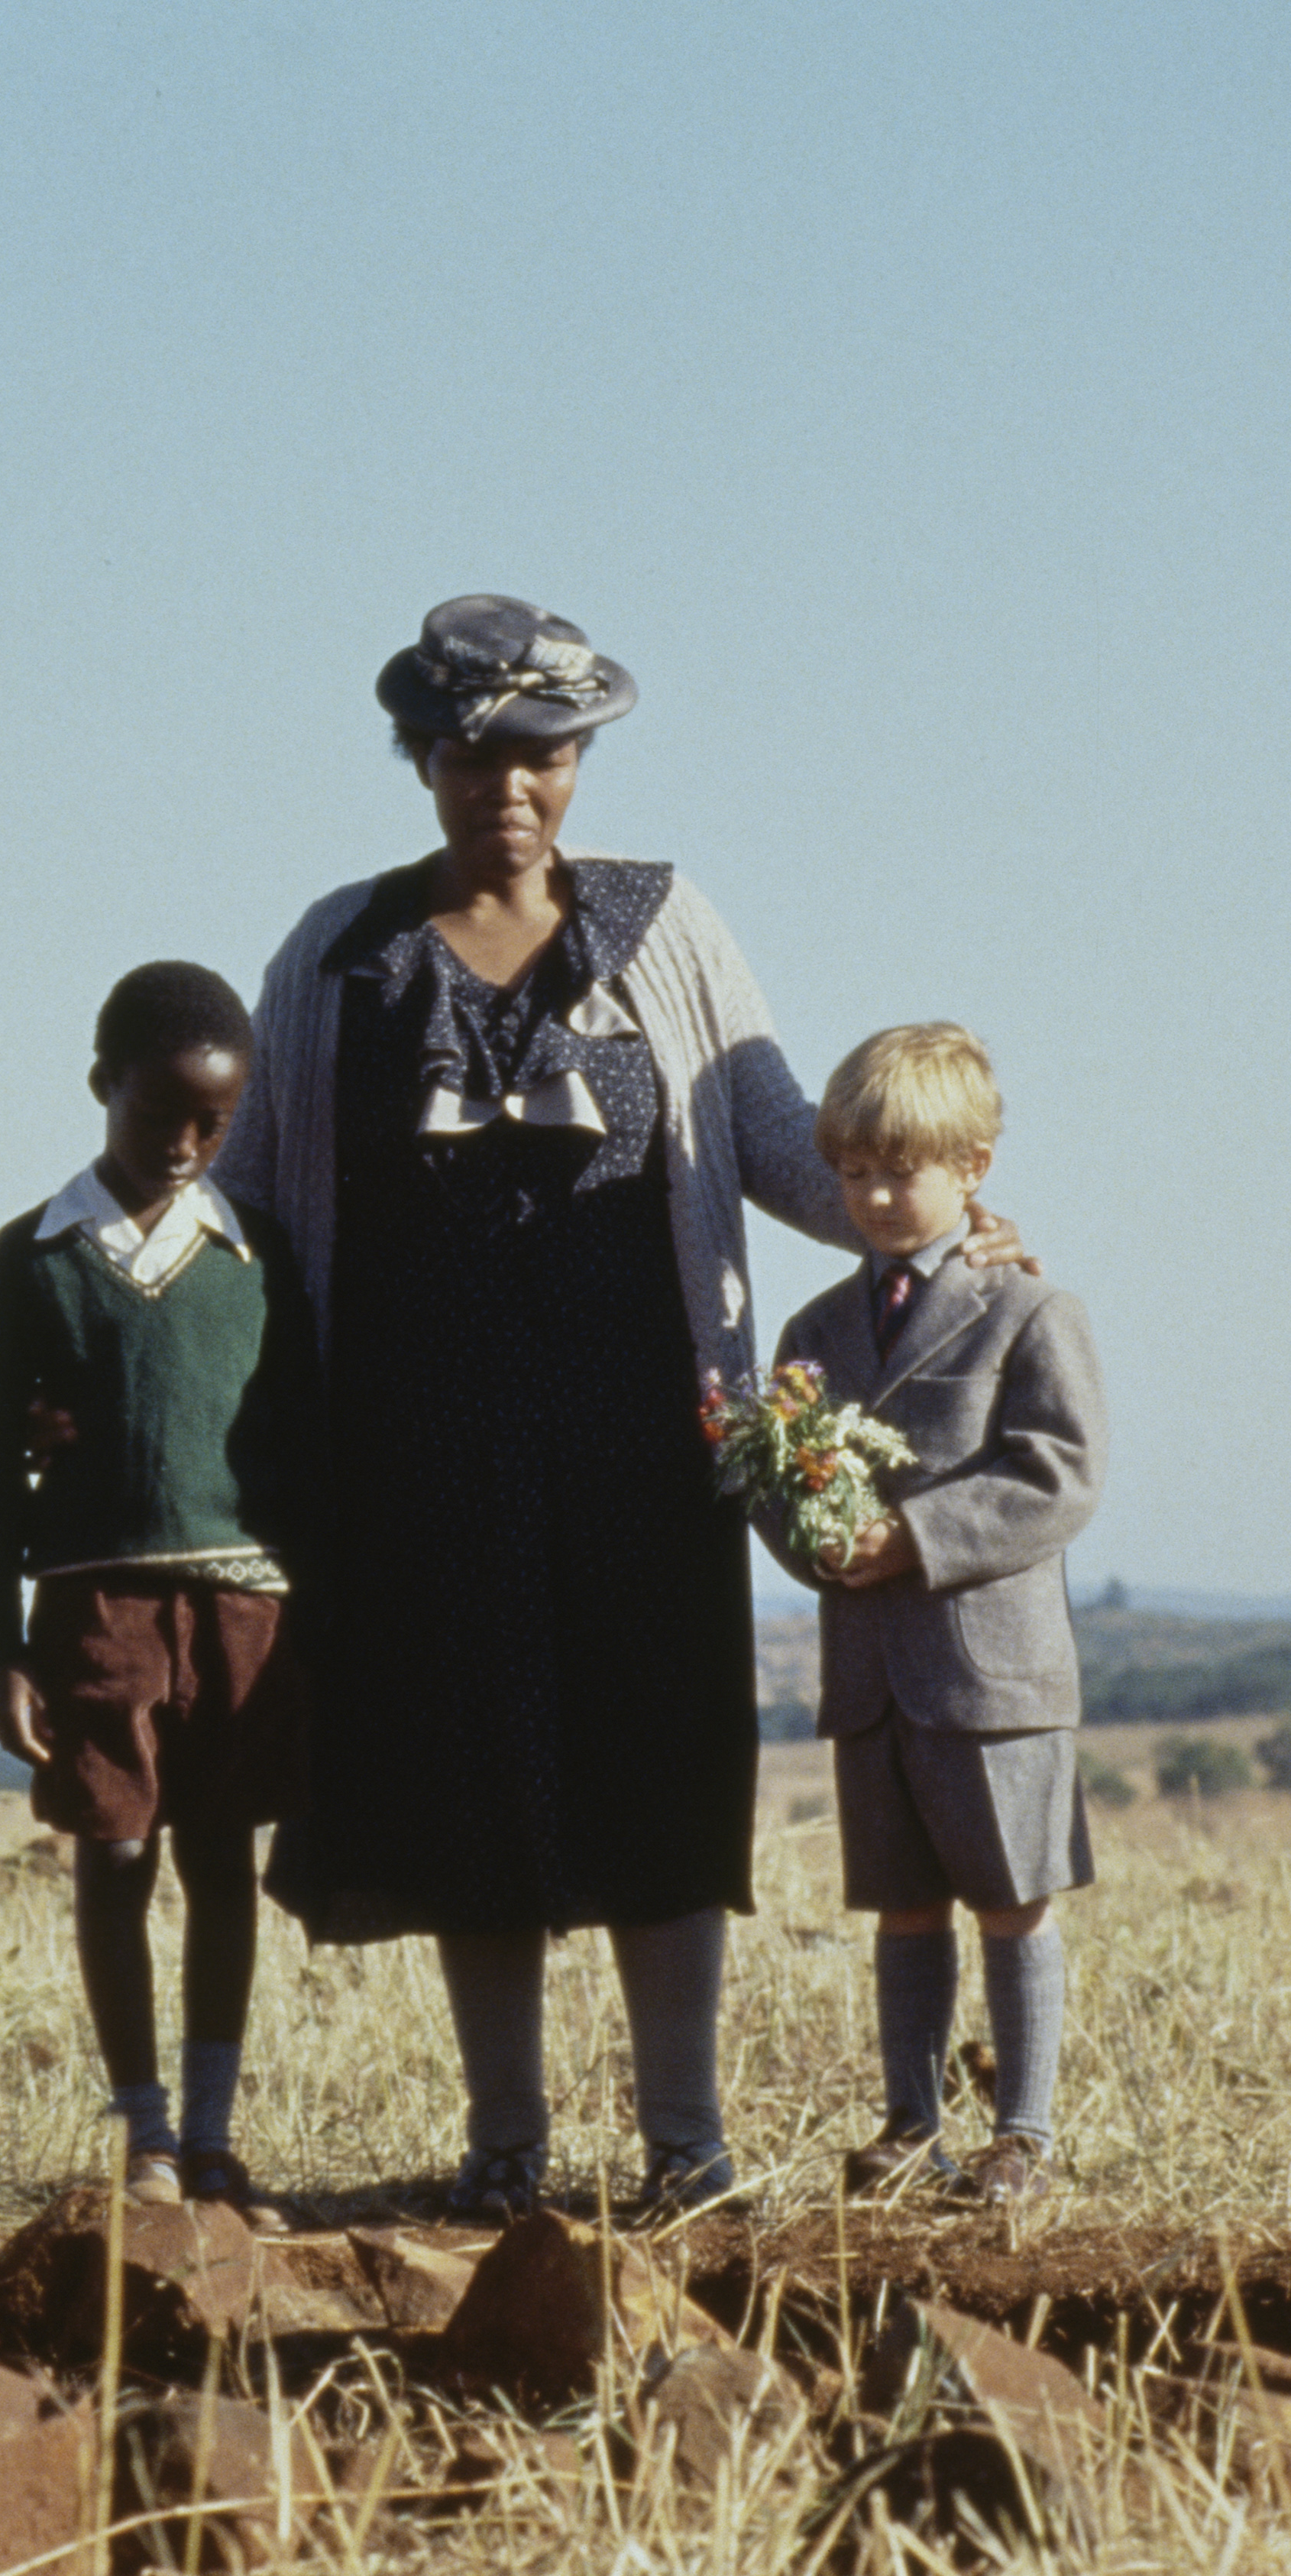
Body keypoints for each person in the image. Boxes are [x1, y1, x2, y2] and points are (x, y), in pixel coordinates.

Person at [216, 596, 1021, 2220]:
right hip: (418, 1452)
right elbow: (258, 1200)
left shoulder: (666, 931)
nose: (507, 784)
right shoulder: (337, 953)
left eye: (542, 752)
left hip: (652, 1438)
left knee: (658, 1778)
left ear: (579, 760)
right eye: (468, 752)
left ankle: (686, 2149)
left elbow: (781, 1140)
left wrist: (947, 1226)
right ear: (420, 761)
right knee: (472, 1785)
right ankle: (504, 2153)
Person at [0, 963, 318, 2228]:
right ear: (101, 1085)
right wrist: (1, 1645)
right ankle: (145, 2136)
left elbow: (301, 1438)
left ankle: (213, 2141)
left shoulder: (257, 1259)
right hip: (93, 1607)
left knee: (223, 1861)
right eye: (157, 1113)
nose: (181, 1144)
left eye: (211, 1123)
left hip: (242, 1611)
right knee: (112, 1852)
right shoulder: (35, 1260)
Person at [752, 1025, 1103, 2208]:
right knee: (902, 1907)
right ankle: (911, 2126)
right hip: (870, 1674)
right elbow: (775, 1476)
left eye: (902, 1170)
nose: (876, 1196)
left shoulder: (1029, 1312)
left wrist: (911, 1539)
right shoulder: (812, 1334)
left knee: (1012, 1901)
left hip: (992, 1677)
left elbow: (1059, 1475)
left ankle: (1027, 2135)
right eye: (853, 1173)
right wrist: (815, 1545)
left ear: (975, 1166)